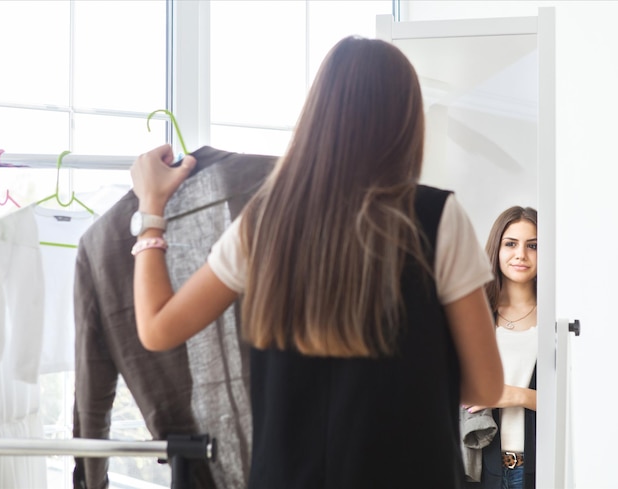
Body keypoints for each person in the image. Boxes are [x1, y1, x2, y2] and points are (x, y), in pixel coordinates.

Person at [130, 36, 503, 489]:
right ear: (407, 121)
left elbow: (156, 329)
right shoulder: (436, 218)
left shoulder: (264, 222)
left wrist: (152, 210)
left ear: (318, 118)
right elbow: (485, 387)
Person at [464, 206, 538, 489]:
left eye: (533, 245)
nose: (521, 254)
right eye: (511, 244)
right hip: (479, 470)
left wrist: (513, 395)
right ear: (497, 248)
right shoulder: (473, 313)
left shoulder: (558, 319)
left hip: (536, 470)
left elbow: (575, 403)